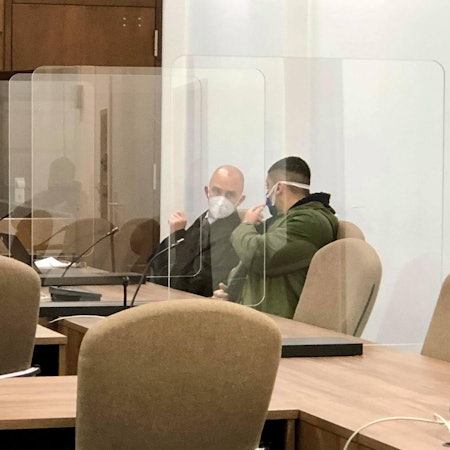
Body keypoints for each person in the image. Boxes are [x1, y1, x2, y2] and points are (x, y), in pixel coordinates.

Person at [214, 156, 338, 319]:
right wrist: (229, 294)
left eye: (268, 187)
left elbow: (259, 255)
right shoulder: (284, 220)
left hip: (272, 322)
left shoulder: (310, 221)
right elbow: (244, 263)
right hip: (252, 313)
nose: (267, 194)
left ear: (278, 188)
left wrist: (246, 224)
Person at [150, 165, 246, 297]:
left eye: (230, 195)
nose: (221, 200)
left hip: (193, 302)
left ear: (240, 200)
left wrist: (178, 236)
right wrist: (176, 235)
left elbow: (195, 282)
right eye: (217, 191)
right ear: (207, 191)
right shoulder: (203, 221)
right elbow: (155, 264)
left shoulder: (234, 235)